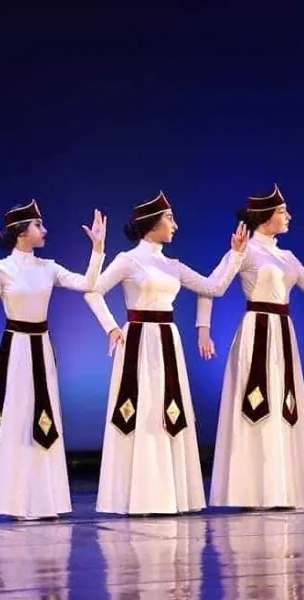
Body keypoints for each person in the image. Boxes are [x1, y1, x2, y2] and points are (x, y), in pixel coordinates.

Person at [84, 191, 244, 514]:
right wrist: (112, 327)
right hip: (138, 341)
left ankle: (169, 495)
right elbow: (93, 291)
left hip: (167, 341)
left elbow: (213, 287)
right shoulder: (128, 260)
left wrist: (235, 255)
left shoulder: (173, 265)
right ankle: (139, 496)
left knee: (166, 411)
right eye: (169, 218)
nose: (175, 225)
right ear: (152, 224)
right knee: (141, 411)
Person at [196, 185, 304, 508]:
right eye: (282, 211)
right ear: (265, 217)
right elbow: (210, 287)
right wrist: (203, 330)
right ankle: (253, 490)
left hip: (282, 334)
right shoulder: (246, 250)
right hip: (257, 331)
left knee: (283, 402)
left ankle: (282, 488)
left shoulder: (287, 257)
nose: (288, 216)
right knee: (258, 402)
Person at [0, 199, 106, 519]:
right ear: (21, 232)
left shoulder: (49, 268)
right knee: (16, 418)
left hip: (41, 349)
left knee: (42, 416)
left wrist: (98, 249)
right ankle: (14, 501)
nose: (44, 230)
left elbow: (87, 284)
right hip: (15, 351)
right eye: (38, 225)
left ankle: (45, 501)